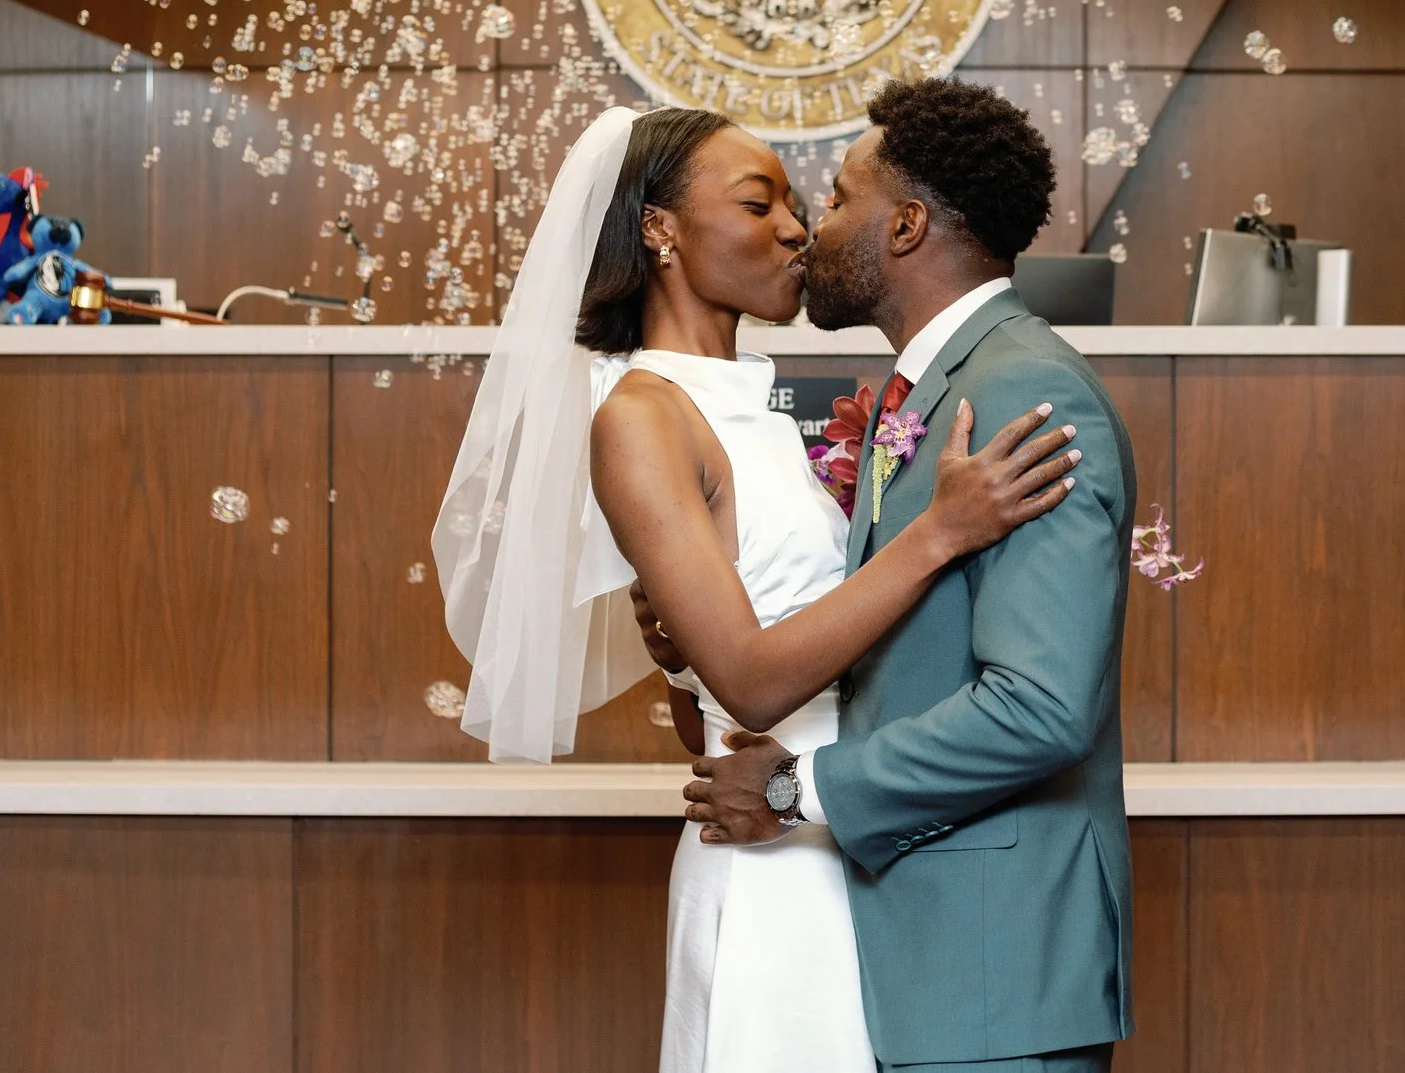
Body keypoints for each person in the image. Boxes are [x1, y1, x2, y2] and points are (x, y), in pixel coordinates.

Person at [431, 101, 1079, 1073]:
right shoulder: (641, 414)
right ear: (658, 228)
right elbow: (750, 681)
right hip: (777, 861)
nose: (792, 225)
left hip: (819, 824)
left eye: (798, 200)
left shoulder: (751, 405)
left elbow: (710, 712)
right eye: (757, 200)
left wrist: (677, 664)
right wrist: (940, 531)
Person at [670, 78, 1140, 1073]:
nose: (811, 230)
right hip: (921, 955)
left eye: (838, 197)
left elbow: (1042, 706)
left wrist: (801, 789)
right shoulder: (938, 384)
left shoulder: (1025, 388)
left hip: (994, 965)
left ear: (908, 223)